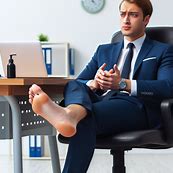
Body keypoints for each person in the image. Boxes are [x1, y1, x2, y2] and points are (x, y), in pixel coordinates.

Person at [29, 0, 173, 172]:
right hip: (103, 101)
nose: (126, 20)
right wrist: (94, 83)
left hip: (137, 106)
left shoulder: (163, 50)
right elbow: (79, 82)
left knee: (85, 119)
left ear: (146, 20)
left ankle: (72, 116)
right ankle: (71, 114)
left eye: (133, 15)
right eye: (122, 14)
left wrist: (123, 84)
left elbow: (168, 86)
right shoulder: (103, 50)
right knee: (75, 84)